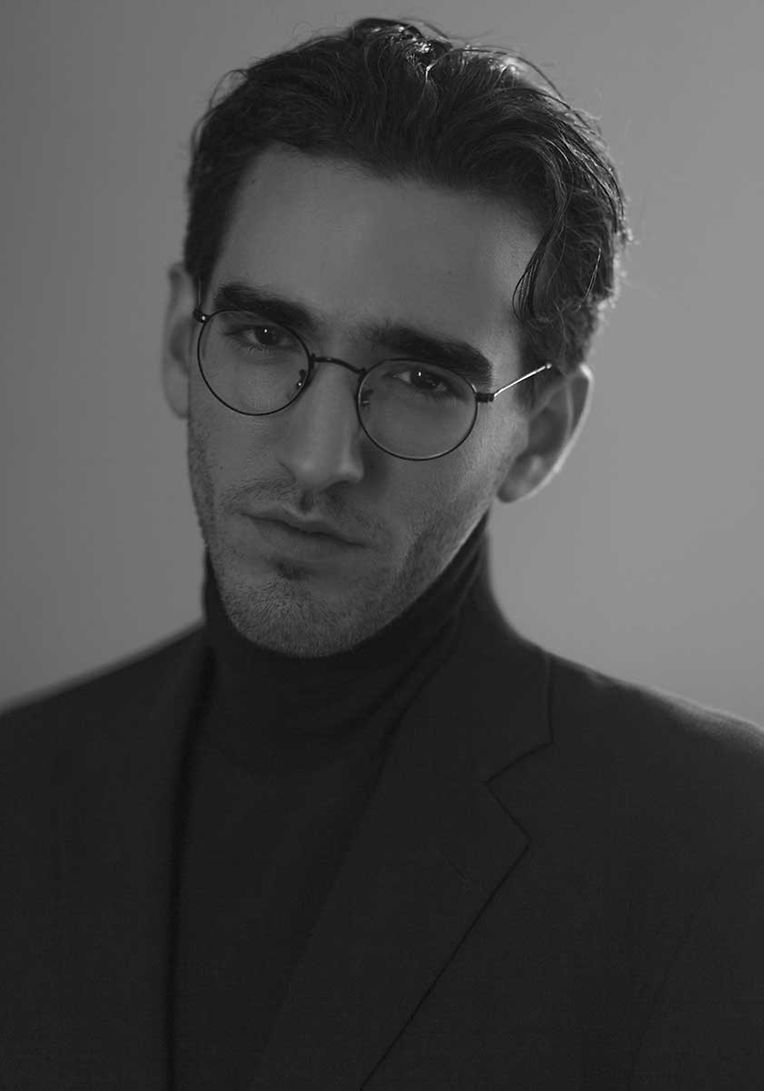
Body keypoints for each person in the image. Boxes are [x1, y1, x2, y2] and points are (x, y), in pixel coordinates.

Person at [1, 17, 763, 1090]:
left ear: (539, 433)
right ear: (181, 338)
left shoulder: (720, 840)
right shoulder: (17, 783)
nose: (320, 461)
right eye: (264, 337)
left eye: (420, 380)